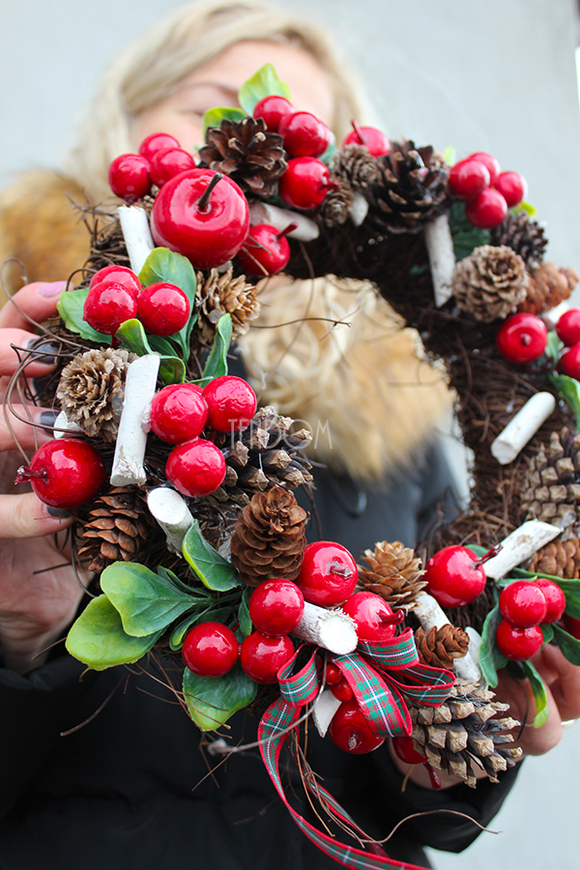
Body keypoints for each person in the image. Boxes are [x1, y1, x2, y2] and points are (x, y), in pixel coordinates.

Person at [0, 2, 578, 868]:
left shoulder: (402, 426)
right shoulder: (29, 380)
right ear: (132, 120)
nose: (263, 162)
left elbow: (434, 820)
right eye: (219, 113)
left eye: (298, 142)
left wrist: (454, 736)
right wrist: (17, 637)